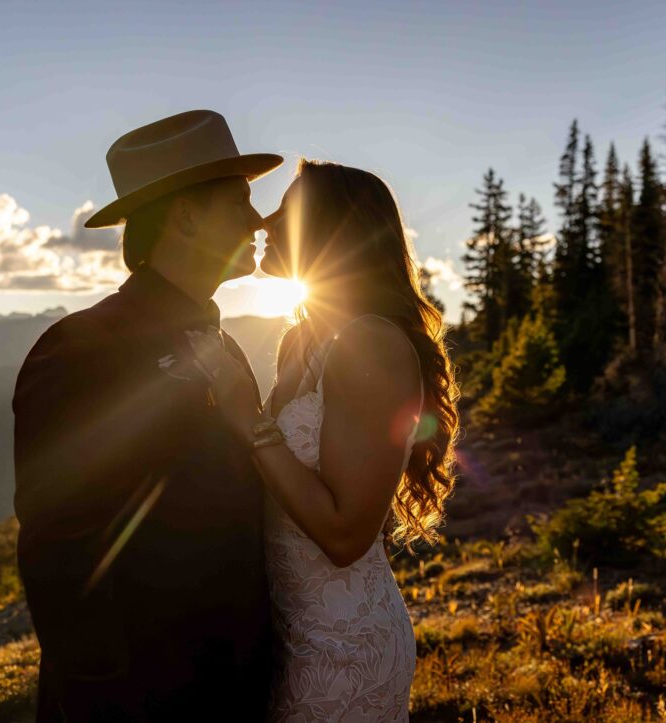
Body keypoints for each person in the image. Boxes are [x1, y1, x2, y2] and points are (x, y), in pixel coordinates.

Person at [12, 110, 282, 721]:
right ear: (185, 216)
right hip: (139, 696)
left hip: (235, 688)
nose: (257, 219)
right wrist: (105, 689)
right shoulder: (80, 348)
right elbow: (59, 543)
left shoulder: (229, 346)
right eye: (239, 201)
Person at [195, 159, 461, 721]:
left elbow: (345, 535)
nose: (264, 221)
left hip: (348, 650)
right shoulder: (299, 341)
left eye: (287, 212)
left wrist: (250, 421)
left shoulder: (372, 345)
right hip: (288, 637)